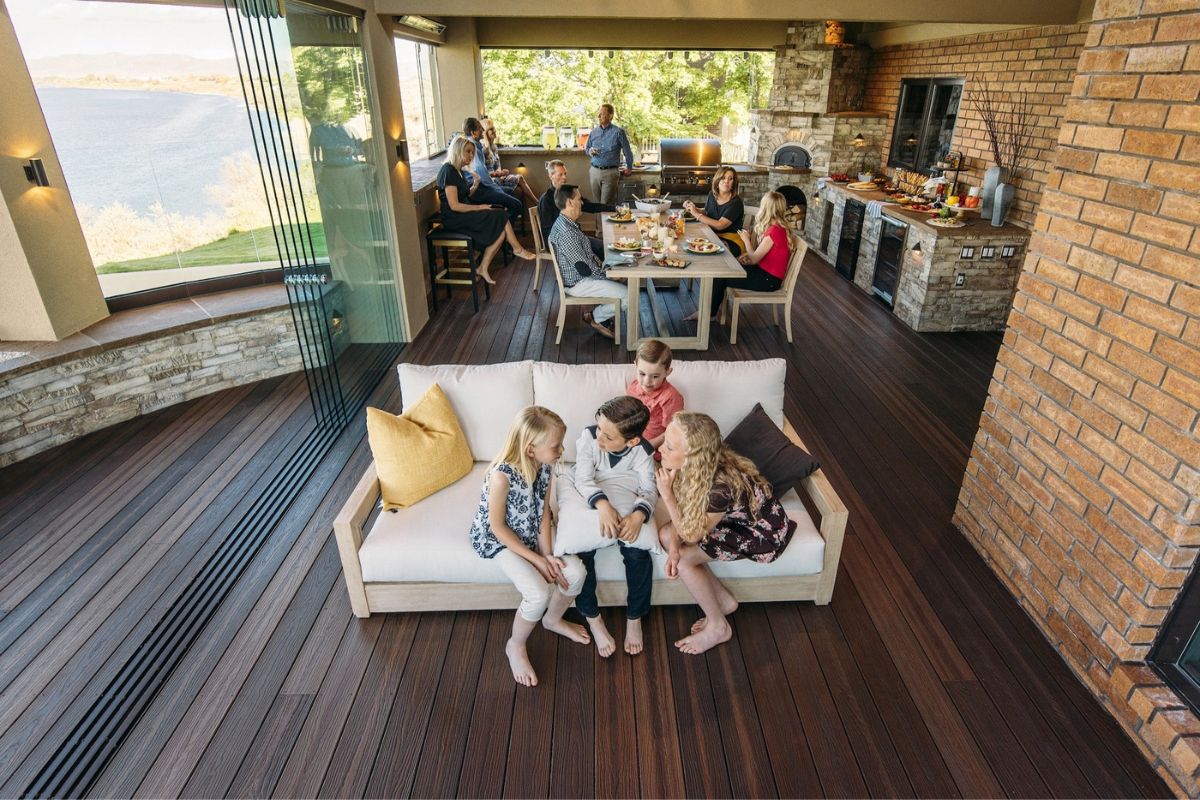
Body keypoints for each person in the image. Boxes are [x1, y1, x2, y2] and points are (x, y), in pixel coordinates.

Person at [468, 406, 590, 686]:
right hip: (499, 540)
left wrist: (547, 554)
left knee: (576, 573)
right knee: (536, 593)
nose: (561, 450)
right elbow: (497, 528)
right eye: (555, 445)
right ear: (530, 448)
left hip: (530, 531)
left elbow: (544, 511)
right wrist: (537, 561)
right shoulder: (502, 476)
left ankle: (553, 620)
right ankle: (516, 644)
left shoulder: (546, 466)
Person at [655, 412, 796, 654]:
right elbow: (686, 521)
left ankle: (719, 627)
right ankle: (724, 600)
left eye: (669, 446)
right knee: (667, 535)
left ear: (692, 457)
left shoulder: (719, 489)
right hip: (730, 520)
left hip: (759, 533)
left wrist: (667, 496)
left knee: (686, 562)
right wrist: (673, 550)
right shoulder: (693, 468)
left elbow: (692, 535)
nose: (661, 450)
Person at [570, 396, 657, 657]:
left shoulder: (642, 451)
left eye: (608, 437)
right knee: (583, 551)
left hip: (626, 495)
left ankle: (635, 617)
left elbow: (649, 488)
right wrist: (603, 506)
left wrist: (638, 515)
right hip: (593, 495)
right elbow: (583, 478)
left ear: (631, 441)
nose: (600, 439)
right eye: (600, 429)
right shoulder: (589, 438)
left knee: (636, 552)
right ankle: (593, 618)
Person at [437, 136, 535, 285]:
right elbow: (454, 205)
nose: (471, 156)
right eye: (468, 152)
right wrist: (480, 207)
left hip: (462, 213)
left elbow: (465, 195)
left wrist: (475, 185)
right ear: (457, 151)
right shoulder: (448, 170)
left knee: (501, 228)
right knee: (500, 216)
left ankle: (483, 267)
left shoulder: (459, 171)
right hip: (454, 217)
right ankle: (517, 249)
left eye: (472, 152)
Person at [695, 190, 796, 321]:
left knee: (720, 276)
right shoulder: (777, 228)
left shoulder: (774, 231)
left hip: (768, 281)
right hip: (763, 273)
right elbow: (760, 257)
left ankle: (709, 314)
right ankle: (710, 311)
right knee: (724, 271)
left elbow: (754, 259)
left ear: (766, 208)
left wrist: (746, 240)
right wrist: (746, 257)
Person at [547, 184, 629, 339]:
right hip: (579, 282)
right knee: (630, 296)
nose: (582, 202)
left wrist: (610, 270)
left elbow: (587, 259)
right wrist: (609, 275)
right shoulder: (567, 233)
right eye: (579, 199)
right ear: (570, 203)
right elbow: (585, 269)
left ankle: (603, 315)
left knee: (625, 261)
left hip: (583, 276)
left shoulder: (565, 222)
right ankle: (594, 317)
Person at [537, 159, 614, 260]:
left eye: (565, 174)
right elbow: (548, 230)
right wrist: (573, 241)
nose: (564, 177)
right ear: (551, 176)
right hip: (560, 242)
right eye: (560, 174)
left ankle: (607, 272)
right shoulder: (546, 199)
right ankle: (604, 273)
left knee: (606, 247)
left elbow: (590, 206)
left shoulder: (568, 193)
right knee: (603, 248)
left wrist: (613, 208)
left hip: (574, 236)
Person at [463, 116, 525, 224]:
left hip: (482, 187)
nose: (483, 130)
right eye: (480, 128)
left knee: (511, 191)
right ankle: (500, 233)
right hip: (478, 191)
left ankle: (503, 226)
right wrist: (497, 189)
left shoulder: (476, 146)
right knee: (517, 205)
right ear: (473, 133)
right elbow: (483, 176)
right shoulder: (473, 148)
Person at [626, 339, 684, 453]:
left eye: (655, 376)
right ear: (635, 366)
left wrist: (647, 446)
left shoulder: (671, 397)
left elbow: (674, 430)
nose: (647, 381)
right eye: (642, 374)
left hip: (656, 449)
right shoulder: (632, 387)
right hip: (632, 443)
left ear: (667, 372)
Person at [682, 165, 745, 256]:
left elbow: (720, 225)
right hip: (713, 235)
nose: (726, 181)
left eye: (730, 179)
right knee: (691, 242)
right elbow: (707, 211)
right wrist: (693, 208)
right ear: (717, 179)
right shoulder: (712, 194)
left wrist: (696, 214)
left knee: (708, 249)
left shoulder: (736, 202)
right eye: (723, 178)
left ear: (734, 183)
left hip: (731, 240)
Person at [480, 117, 538, 206]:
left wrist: (502, 172)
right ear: (485, 132)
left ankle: (537, 203)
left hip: (499, 177)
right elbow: (483, 173)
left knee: (520, 177)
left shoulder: (494, 147)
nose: (494, 130)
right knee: (516, 190)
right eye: (491, 129)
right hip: (491, 180)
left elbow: (497, 167)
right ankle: (531, 204)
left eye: (494, 128)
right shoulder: (483, 150)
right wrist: (497, 174)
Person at [586, 103, 634, 207]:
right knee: (596, 205)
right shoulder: (593, 132)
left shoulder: (618, 132)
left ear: (610, 116)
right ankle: (599, 224)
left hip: (610, 173)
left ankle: (607, 223)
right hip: (594, 172)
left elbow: (627, 151)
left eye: (602, 114)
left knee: (606, 205)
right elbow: (587, 149)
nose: (599, 116)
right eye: (599, 114)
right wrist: (590, 151)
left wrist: (629, 167)